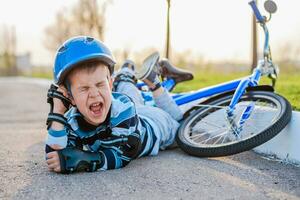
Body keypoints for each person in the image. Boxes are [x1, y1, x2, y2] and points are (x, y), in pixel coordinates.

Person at [45, 36, 189, 173]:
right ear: (70, 97)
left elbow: (123, 154)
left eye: (100, 84)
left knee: (183, 125)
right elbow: (55, 156)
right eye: (84, 88)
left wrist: (86, 159)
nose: (94, 94)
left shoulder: (124, 108)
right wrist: (57, 113)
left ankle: (154, 85)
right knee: (130, 98)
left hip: (156, 124)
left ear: (110, 85)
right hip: (131, 112)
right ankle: (127, 72)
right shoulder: (72, 121)